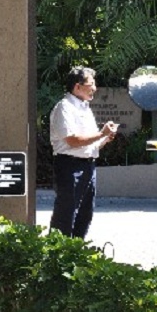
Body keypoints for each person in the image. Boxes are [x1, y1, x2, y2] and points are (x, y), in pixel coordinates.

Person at [49, 66, 118, 239]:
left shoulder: (85, 108)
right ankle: (56, 258)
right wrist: (101, 133)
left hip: (88, 166)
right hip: (69, 166)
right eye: (91, 84)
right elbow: (72, 141)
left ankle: (77, 254)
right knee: (66, 214)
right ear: (77, 86)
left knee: (85, 215)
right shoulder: (64, 107)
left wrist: (105, 139)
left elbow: (90, 145)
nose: (94, 88)